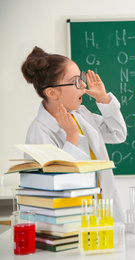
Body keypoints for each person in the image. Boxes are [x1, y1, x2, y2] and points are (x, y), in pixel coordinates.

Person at [21, 46, 127, 222]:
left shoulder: (80, 114)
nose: (84, 85)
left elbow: (117, 133)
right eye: (76, 81)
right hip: (71, 221)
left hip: (104, 213)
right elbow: (54, 185)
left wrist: (103, 99)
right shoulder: (38, 132)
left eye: (81, 78)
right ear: (52, 92)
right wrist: (72, 137)